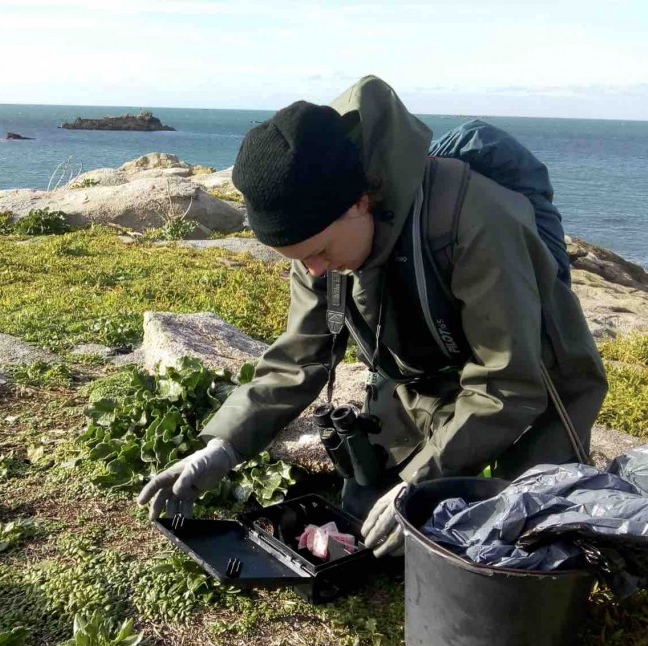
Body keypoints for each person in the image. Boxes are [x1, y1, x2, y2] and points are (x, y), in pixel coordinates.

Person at [137, 75, 608, 557]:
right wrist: (223, 446)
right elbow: (301, 356)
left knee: (520, 544)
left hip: (533, 378)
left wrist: (421, 484)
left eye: (318, 252)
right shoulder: (320, 241)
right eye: (299, 259)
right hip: (423, 372)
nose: (314, 270)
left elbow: (507, 383)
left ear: (361, 202)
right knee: (367, 530)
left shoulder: (478, 219)